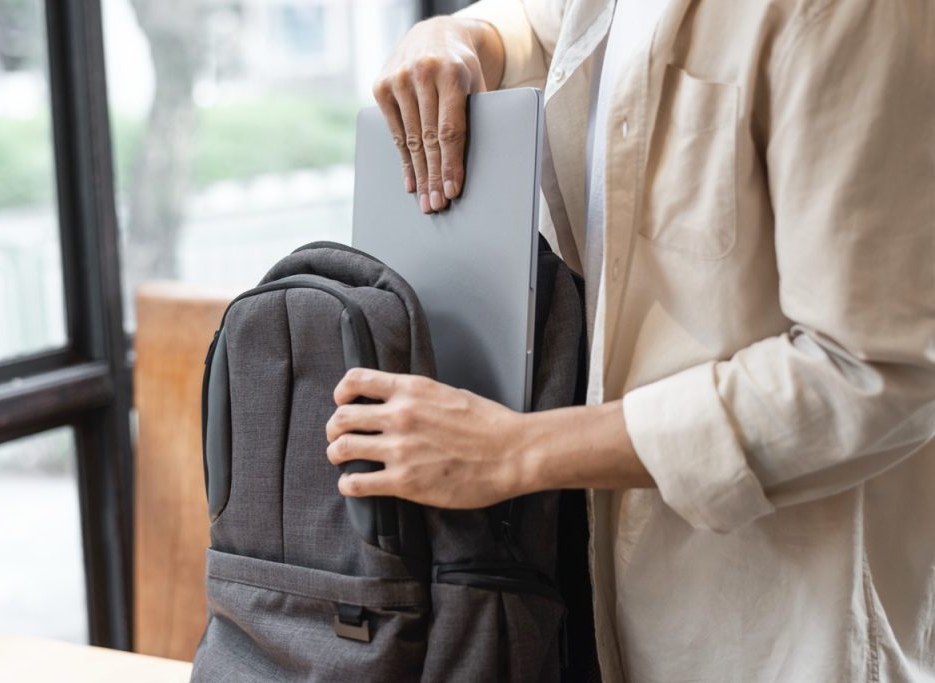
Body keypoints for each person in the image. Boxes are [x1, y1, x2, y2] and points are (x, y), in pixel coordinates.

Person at [325, 0, 935, 680]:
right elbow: (548, 22)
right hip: (599, 588)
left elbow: (880, 373)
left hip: (789, 623)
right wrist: (466, 36)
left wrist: (518, 450)